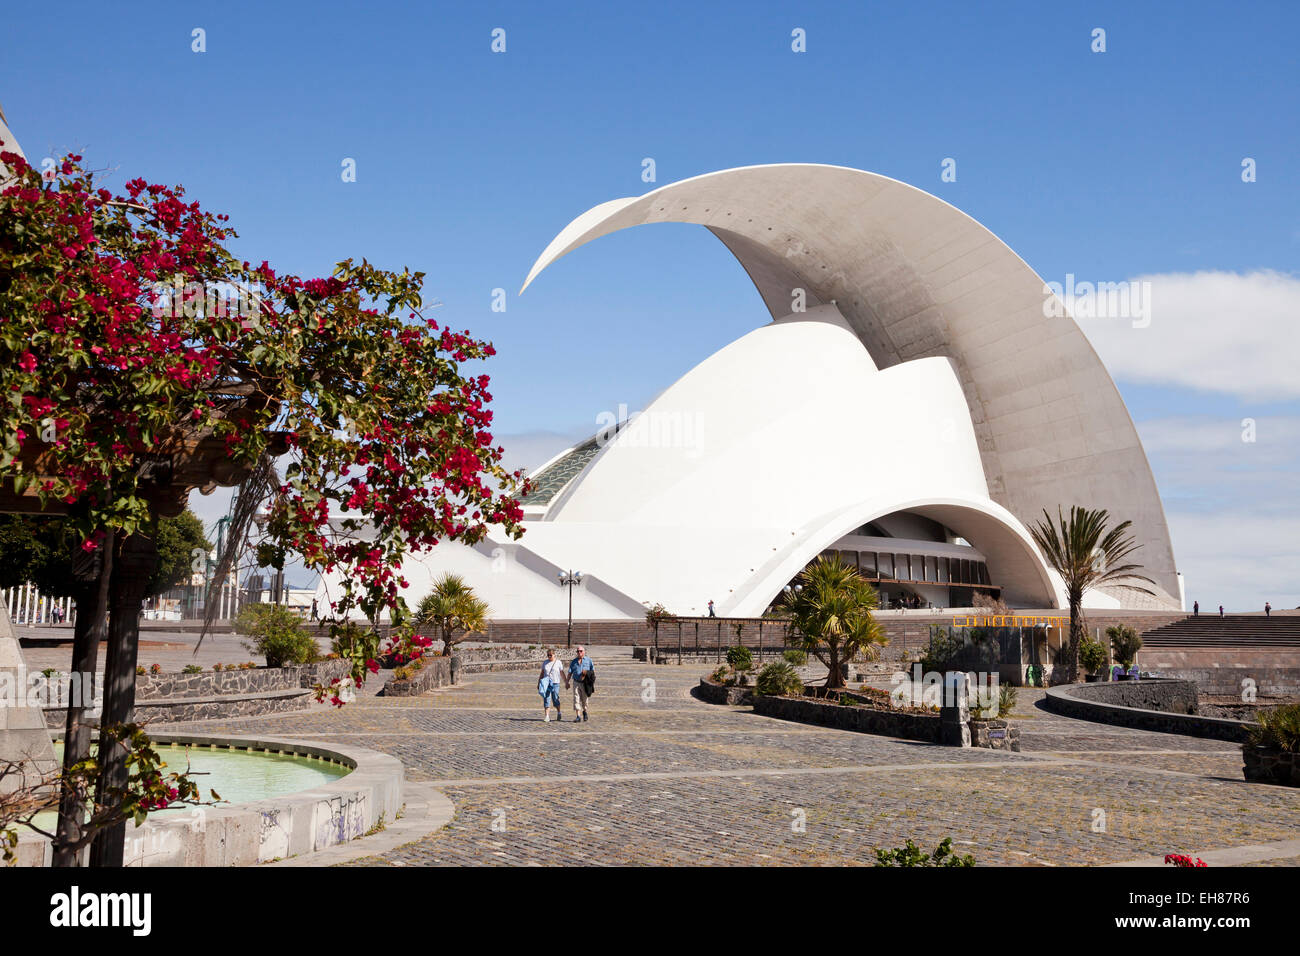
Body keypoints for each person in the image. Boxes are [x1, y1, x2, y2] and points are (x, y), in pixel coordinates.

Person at [568, 645, 595, 722]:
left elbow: (593, 672)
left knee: (585, 699)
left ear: (584, 652)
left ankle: (585, 711)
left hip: (585, 683)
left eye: (581, 651)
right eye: (578, 651)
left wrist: (588, 676)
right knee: (576, 698)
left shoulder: (589, 660)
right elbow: (570, 672)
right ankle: (578, 716)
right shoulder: (574, 662)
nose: (579, 652)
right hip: (576, 682)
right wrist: (567, 682)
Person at [538, 648, 564, 722]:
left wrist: (566, 681)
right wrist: (539, 682)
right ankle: (547, 716)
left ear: (554, 654)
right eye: (548, 655)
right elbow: (542, 673)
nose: (549, 657)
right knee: (547, 699)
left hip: (555, 683)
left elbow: (562, 673)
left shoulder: (558, 662)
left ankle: (559, 712)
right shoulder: (545, 662)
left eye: (550, 655)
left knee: (555, 699)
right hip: (546, 683)